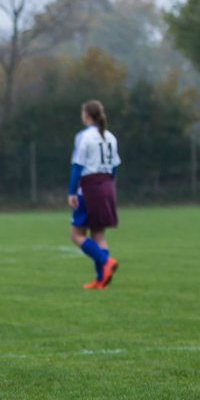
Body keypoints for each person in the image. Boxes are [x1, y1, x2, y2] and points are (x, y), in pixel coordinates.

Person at [67, 99, 121, 290]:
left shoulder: (84, 136)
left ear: (86, 115)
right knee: (98, 234)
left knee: (76, 234)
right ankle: (101, 280)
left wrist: (72, 191)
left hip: (89, 187)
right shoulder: (110, 137)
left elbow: (78, 165)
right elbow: (114, 167)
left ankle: (105, 262)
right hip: (107, 186)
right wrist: (108, 185)